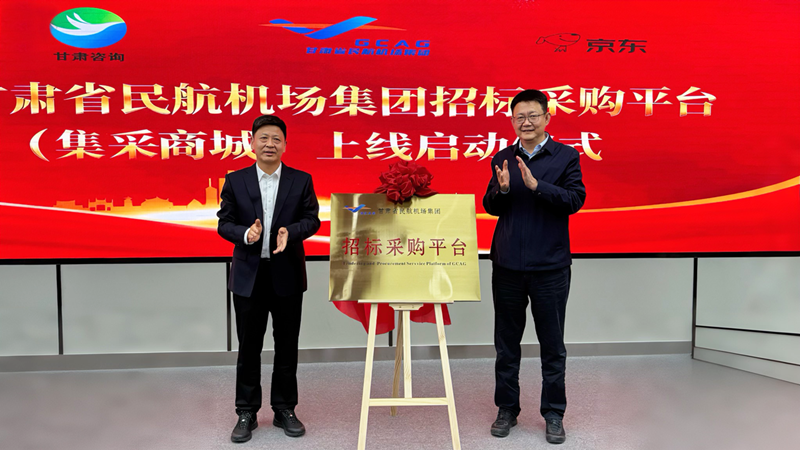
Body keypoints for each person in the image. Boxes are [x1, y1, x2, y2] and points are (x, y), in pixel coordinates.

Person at [483, 89, 586, 444]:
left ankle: (554, 413)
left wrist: (536, 185)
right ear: (512, 121)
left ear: (546, 117)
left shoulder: (566, 156)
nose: (525, 123)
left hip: (550, 267)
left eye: (532, 116)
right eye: (519, 117)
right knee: (506, 344)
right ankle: (506, 408)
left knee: (552, 346)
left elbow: (574, 200)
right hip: (508, 265)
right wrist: (503, 191)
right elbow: (491, 205)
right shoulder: (502, 157)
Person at [217, 115, 320, 443]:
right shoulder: (236, 180)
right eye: (263, 138)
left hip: (287, 273)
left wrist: (292, 231)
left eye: (276, 139)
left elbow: (312, 220)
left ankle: (284, 408)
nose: (269, 144)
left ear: (285, 145)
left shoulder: (301, 180)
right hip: (249, 275)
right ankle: (246, 411)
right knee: (249, 346)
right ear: (252, 143)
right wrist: (245, 233)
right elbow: (224, 223)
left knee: (287, 345)